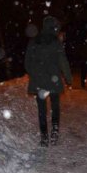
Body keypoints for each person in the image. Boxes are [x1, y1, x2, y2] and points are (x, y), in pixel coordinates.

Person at [24, 16, 72, 146]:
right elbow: (63, 61)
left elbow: (27, 62)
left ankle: (44, 137)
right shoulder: (55, 41)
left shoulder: (34, 41)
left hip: (39, 81)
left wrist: (35, 74)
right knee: (55, 107)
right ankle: (54, 133)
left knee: (42, 110)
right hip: (53, 80)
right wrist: (68, 78)